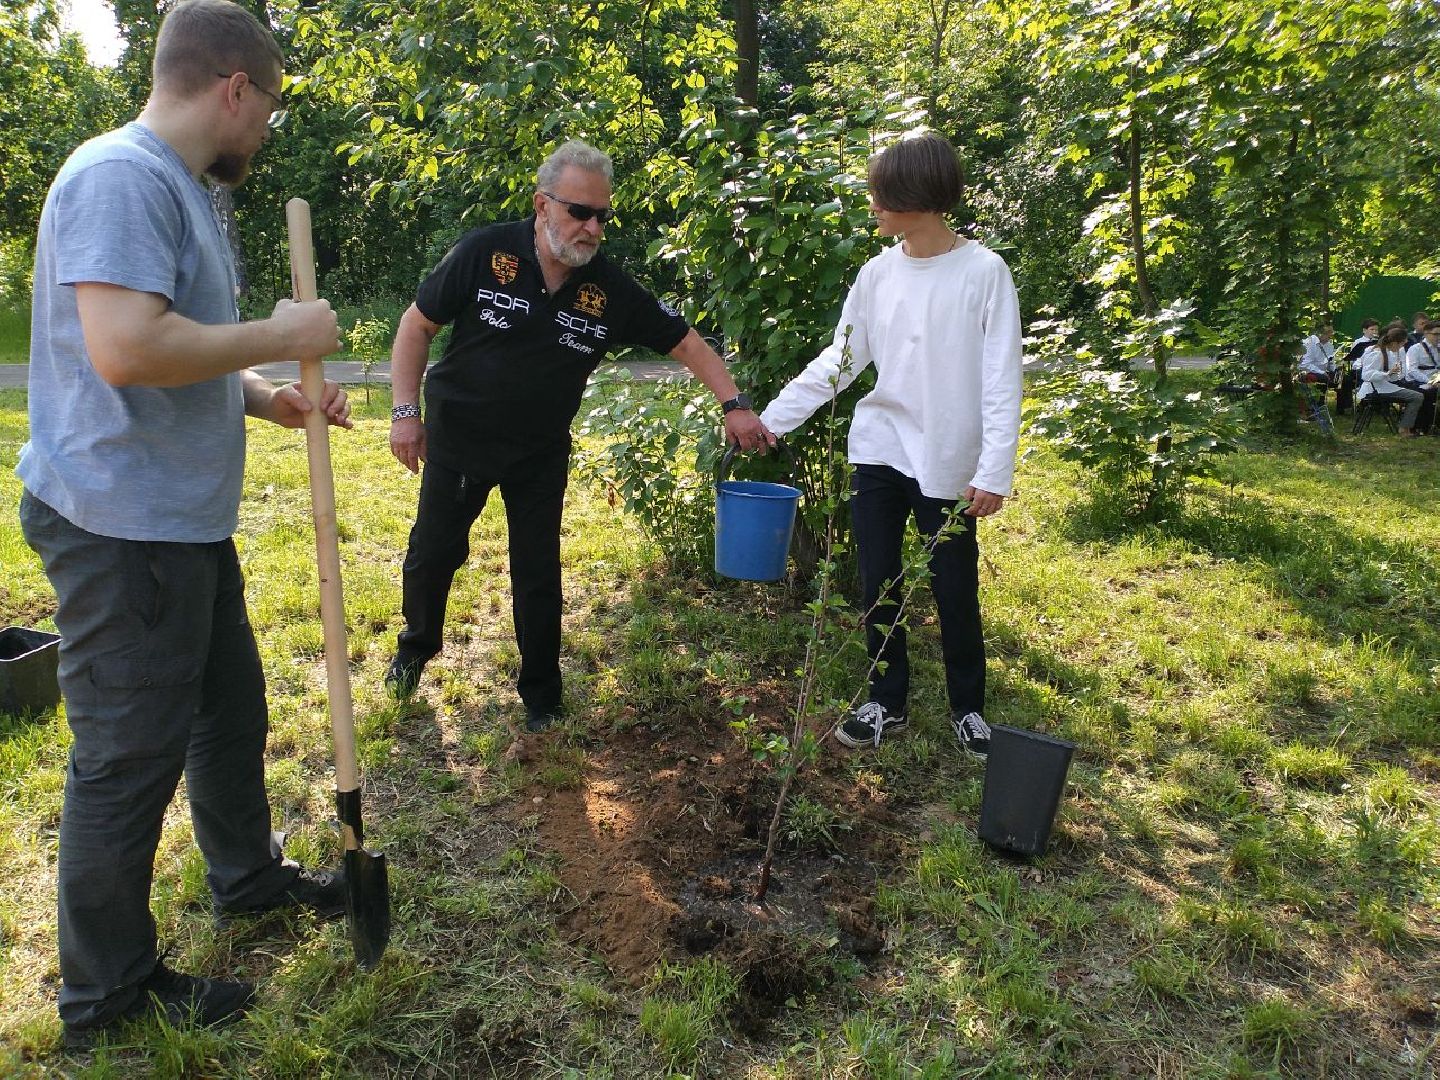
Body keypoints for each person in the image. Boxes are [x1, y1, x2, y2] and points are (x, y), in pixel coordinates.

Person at [15, 0, 350, 1048]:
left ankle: (246, 877)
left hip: (179, 521)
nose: (266, 132)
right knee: (126, 759)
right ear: (234, 89)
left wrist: (262, 392)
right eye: (269, 109)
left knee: (228, 712)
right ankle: (105, 996)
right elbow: (126, 348)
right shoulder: (121, 177)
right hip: (124, 529)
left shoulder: (180, 190)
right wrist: (279, 332)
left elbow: (178, 342)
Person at [384, 140, 772, 730]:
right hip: (462, 438)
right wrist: (404, 413)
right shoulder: (486, 252)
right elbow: (417, 325)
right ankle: (415, 649)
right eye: (579, 212)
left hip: (539, 450)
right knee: (435, 552)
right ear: (542, 205)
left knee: (537, 570)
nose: (592, 228)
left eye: (602, 217)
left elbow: (686, 342)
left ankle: (542, 696)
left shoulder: (608, 289)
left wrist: (734, 405)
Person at [757, 131, 1023, 758]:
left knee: (954, 587)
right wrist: (773, 419)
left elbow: (1001, 380)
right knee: (878, 580)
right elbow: (842, 359)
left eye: (882, 195)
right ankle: (886, 699)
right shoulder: (877, 274)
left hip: (947, 461)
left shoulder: (983, 273)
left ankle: (968, 708)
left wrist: (994, 470)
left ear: (919, 196)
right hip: (878, 450)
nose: (872, 205)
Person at [1356, 325, 1423, 434]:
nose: (1401, 348)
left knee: (1417, 394)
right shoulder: (1377, 353)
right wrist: (1387, 373)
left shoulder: (1388, 352)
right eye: (1401, 344)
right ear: (1395, 343)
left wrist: (1394, 373)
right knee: (1417, 396)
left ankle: (1406, 427)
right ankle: (1404, 428)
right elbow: (1366, 375)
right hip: (1375, 389)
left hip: (1383, 386)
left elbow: (1391, 377)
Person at [1401, 318, 1440, 433]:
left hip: (1435, 380)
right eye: (1436, 334)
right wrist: (1430, 381)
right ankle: (1422, 426)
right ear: (1426, 333)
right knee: (1428, 394)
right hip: (1418, 382)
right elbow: (1412, 371)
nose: (1438, 337)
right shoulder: (1415, 349)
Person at [1336, 318, 1380, 414]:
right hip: (1359, 369)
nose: (1374, 332)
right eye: (1372, 329)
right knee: (1361, 378)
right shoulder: (1358, 342)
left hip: (1374, 368)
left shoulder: (1379, 342)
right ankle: (1362, 403)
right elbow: (1353, 359)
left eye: (1376, 330)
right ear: (1364, 330)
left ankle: (1373, 404)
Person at [1296, 322, 1335, 423]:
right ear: (1320, 333)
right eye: (1328, 335)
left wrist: (1334, 368)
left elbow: (1330, 362)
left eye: (1330, 335)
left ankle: (1342, 408)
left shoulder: (1329, 346)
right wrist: (1321, 372)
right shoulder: (1309, 343)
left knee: (1343, 378)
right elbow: (1304, 364)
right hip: (1307, 371)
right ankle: (1316, 407)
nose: (1329, 337)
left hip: (1322, 371)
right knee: (1324, 378)